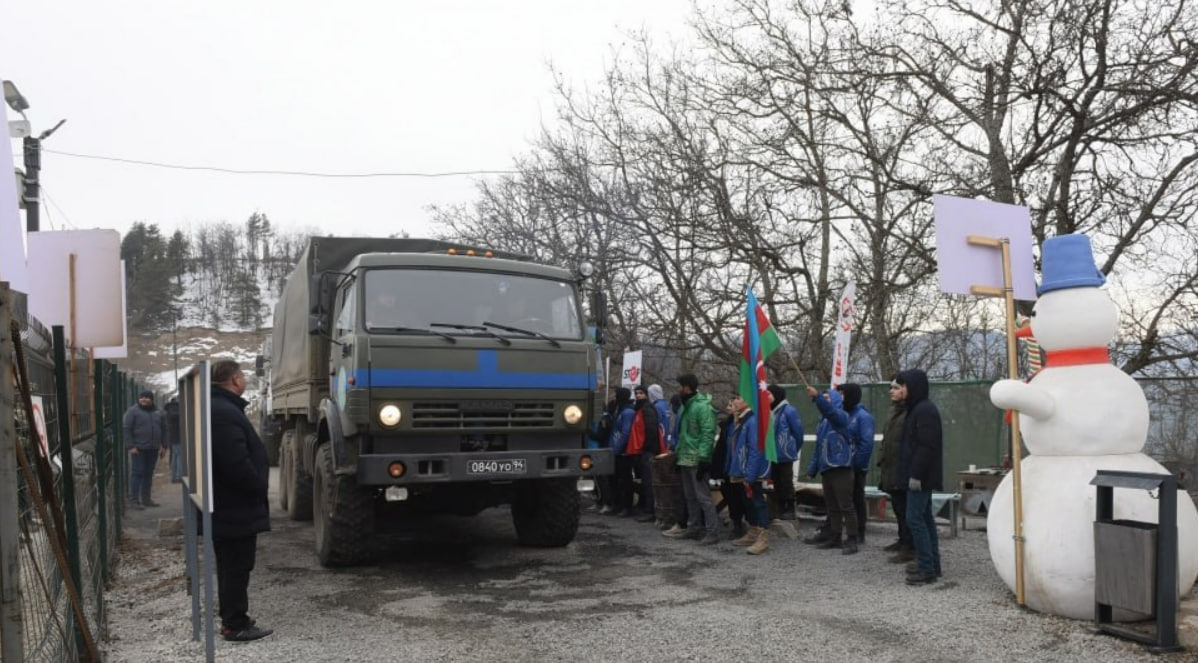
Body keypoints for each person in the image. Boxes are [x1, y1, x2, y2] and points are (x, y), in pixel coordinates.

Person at [209, 360, 273, 642]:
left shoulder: (221, 408)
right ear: (235, 380)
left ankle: (235, 618)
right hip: (234, 507)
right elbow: (235, 462)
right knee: (236, 566)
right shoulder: (224, 412)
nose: (245, 379)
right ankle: (235, 624)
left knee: (233, 566)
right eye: (243, 375)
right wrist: (257, 486)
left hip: (229, 506)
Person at [896, 369, 944, 585]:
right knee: (924, 518)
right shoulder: (917, 409)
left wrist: (915, 475)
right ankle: (932, 565)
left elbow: (926, 446)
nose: (901, 390)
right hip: (919, 475)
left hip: (921, 477)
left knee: (914, 519)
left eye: (903, 385)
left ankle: (927, 568)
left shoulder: (924, 411)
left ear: (913, 386)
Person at [662, 373, 719, 544]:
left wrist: (704, 459)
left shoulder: (703, 407)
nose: (678, 389)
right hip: (685, 458)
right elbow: (683, 435)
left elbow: (707, 434)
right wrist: (678, 456)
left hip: (696, 459)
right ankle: (693, 527)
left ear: (687, 387)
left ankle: (712, 532)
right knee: (690, 496)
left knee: (703, 497)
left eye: (680, 386)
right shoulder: (685, 406)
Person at [804, 386, 860, 554]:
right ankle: (835, 537)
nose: (825, 401)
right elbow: (819, 447)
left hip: (841, 468)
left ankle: (852, 539)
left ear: (835, 400)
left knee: (846, 506)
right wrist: (813, 468)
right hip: (827, 469)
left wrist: (818, 398)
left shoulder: (841, 417)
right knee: (832, 507)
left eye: (828, 398)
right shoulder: (823, 423)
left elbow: (831, 412)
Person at [727, 394, 771, 554]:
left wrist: (750, 474)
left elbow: (756, 449)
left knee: (758, 502)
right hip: (744, 469)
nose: (735, 401)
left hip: (753, 471)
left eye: (739, 397)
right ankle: (753, 531)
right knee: (749, 502)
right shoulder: (742, 420)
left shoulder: (753, 421)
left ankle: (763, 537)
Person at [877, 375, 913, 561]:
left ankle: (910, 547)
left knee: (906, 509)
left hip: (903, 469)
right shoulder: (893, 411)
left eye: (896, 387)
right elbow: (888, 439)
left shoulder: (911, 412)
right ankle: (902, 539)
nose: (891, 391)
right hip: (891, 467)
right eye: (891, 387)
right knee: (898, 507)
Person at [837, 383, 875, 545]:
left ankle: (860, 532)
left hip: (855, 467)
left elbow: (866, 444)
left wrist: (856, 466)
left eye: (842, 394)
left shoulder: (863, 416)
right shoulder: (844, 414)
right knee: (844, 499)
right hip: (843, 465)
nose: (840, 398)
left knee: (857, 498)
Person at [123, 390, 167, 509]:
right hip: (138, 449)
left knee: (148, 474)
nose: (143, 399)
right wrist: (131, 446)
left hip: (153, 449)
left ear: (151, 399)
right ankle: (135, 500)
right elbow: (126, 429)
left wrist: (164, 446)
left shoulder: (159, 412)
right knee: (137, 474)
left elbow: (164, 429)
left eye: (146, 397)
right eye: (142, 397)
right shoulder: (133, 411)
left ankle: (146, 499)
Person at [766, 384, 803, 522]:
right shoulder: (770, 411)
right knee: (776, 482)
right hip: (773, 454)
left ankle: (790, 509)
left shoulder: (789, 410)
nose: (767, 396)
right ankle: (780, 508)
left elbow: (798, 433)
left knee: (786, 481)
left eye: (769, 394)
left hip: (785, 453)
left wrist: (792, 448)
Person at [628, 385, 664, 522]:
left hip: (647, 451)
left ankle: (650, 511)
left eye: (641, 393)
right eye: (636, 393)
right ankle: (648, 508)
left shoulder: (647, 409)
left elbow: (651, 430)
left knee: (649, 482)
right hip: (643, 450)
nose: (638, 396)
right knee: (646, 481)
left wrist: (647, 449)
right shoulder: (642, 409)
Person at [607, 388, 637, 517]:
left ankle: (626, 507)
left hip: (623, 453)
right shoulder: (619, 410)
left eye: (617, 395)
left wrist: (617, 449)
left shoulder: (628, 411)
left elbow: (626, 433)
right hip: (615, 450)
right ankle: (617, 504)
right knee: (614, 479)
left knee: (625, 480)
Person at [164, 396, 183, 483]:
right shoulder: (176, 409)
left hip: (173, 436)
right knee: (179, 456)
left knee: (175, 456)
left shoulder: (169, 409)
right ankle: (178, 476)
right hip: (177, 436)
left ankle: (174, 476)